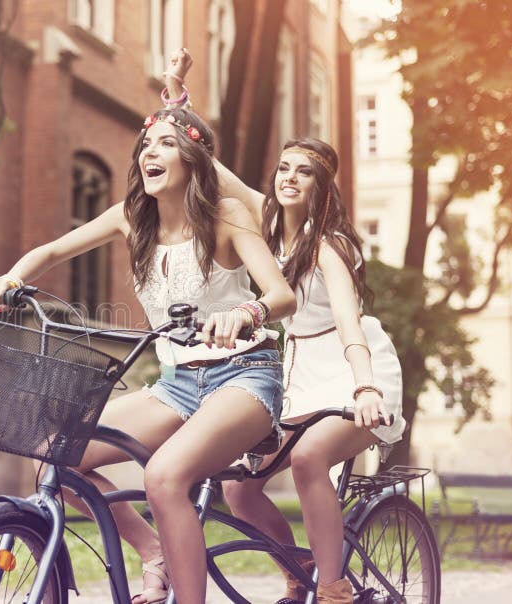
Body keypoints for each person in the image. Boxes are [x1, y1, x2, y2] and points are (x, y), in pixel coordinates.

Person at [0, 107, 297, 603]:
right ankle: (154, 553)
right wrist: (11, 278)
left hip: (243, 377)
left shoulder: (227, 215)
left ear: (194, 160)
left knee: (165, 477)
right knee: (52, 460)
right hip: (175, 385)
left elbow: (282, 296)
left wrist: (246, 312)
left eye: (167, 143)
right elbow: (51, 251)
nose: (151, 151)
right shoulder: (131, 218)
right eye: (147, 143)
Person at [164, 50, 406, 604]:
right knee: (238, 488)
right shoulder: (266, 224)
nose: (290, 178)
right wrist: (179, 101)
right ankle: (297, 570)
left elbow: (348, 320)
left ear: (323, 187)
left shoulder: (329, 246)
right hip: (294, 374)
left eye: (305, 172)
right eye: (284, 169)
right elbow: (205, 160)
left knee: (307, 458)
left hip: (353, 373)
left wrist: (366, 388)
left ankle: (333, 586)